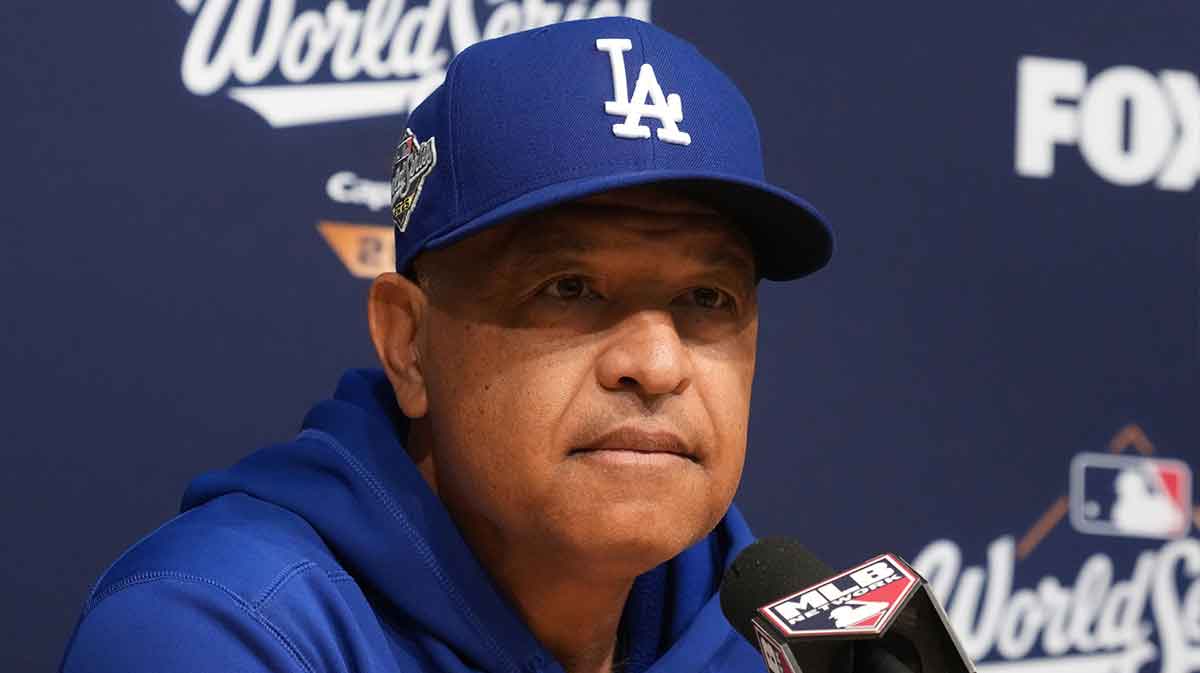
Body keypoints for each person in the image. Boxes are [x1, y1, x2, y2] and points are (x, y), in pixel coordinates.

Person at [60, 16, 833, 673]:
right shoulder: (217, 630)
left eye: (708, 298)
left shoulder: (769, 635)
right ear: (409, 344)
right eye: (568, 288)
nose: (657, 364)